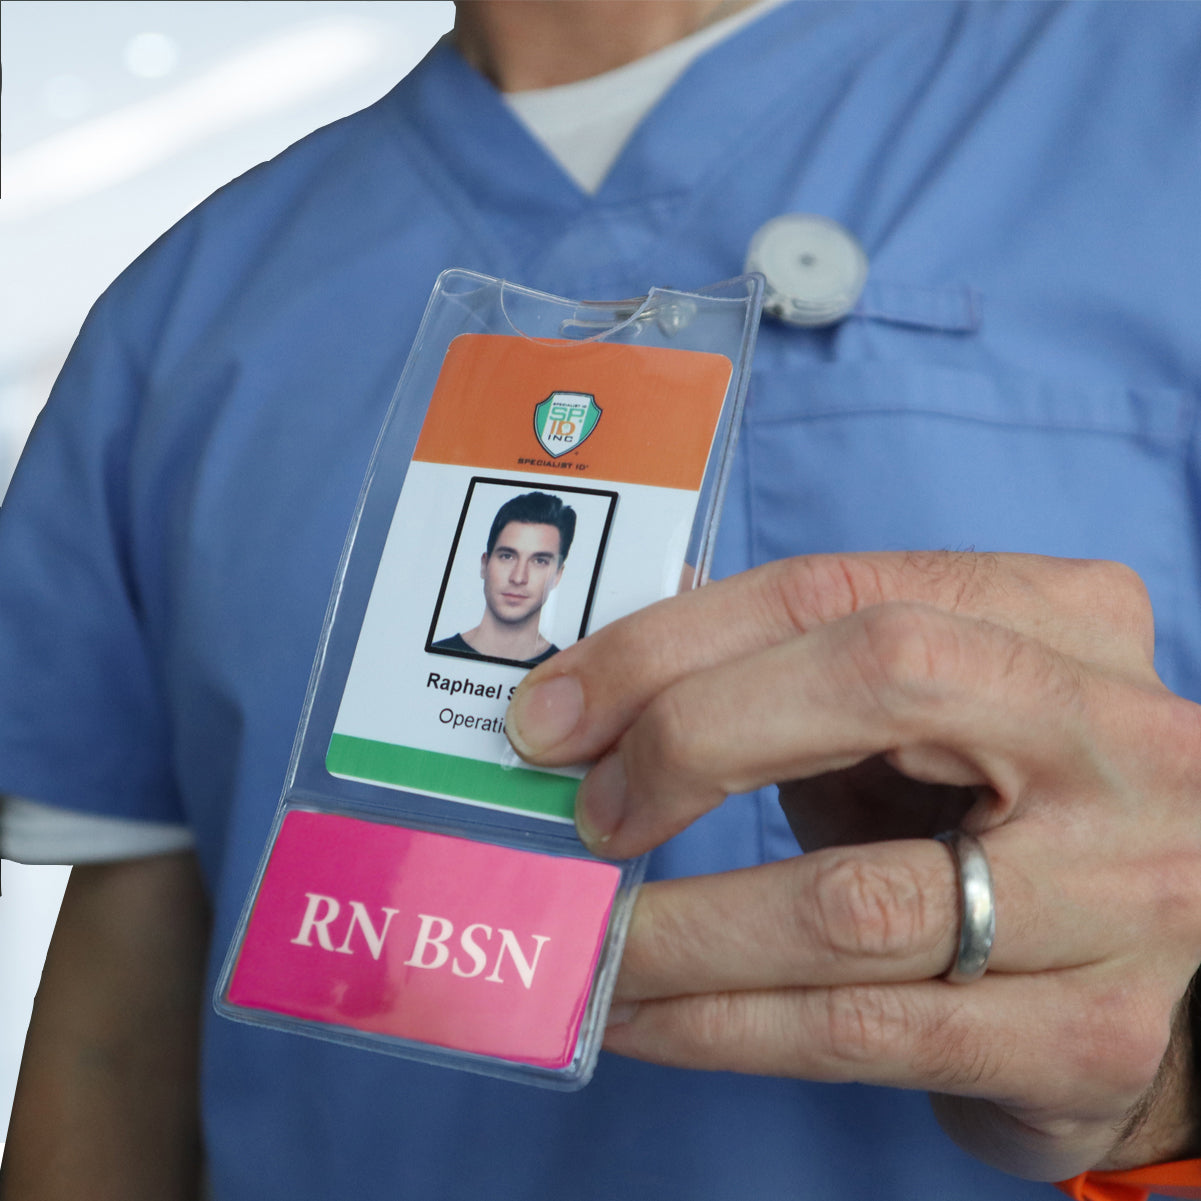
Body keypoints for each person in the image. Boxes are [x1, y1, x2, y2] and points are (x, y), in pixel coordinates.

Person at [1, 2, 1200, 1199]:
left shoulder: (1156, 112)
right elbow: (119, 1029)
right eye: (503, 559)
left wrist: (1170, 1093)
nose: (518, 575)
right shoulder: (182, 318)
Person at [431, 490, 575, 665]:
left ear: (557, 576)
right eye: (507, 556)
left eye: (539, 561)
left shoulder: (567, 671)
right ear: (484, 565)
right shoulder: (434, 655)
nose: (518, 577)